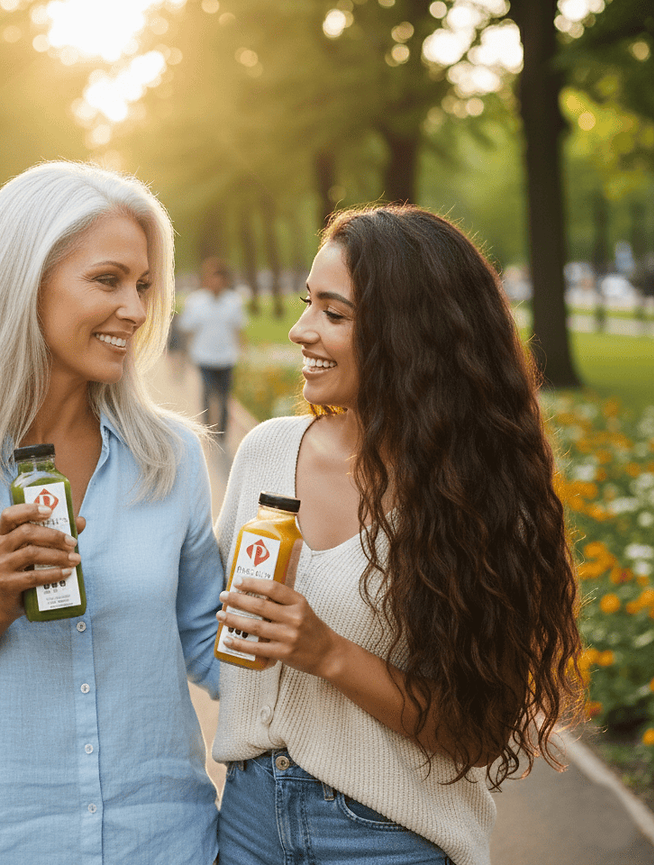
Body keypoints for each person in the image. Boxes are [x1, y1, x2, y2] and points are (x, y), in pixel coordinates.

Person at [0, 161, 225, 865]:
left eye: (145, 285)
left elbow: (208, 639)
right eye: (108, 279)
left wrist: (321, 648)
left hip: (165, 845)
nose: (138, 310)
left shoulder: (171, 455)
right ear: (22, 280)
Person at [211, 204, 584, 865]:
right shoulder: (267, 451)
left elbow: (478, 733)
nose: (301, 330)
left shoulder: (474, 498)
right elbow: (205, 629)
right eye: (307, 304)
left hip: (385, 836)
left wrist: (328, 652)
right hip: (247, 822)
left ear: (409, 332)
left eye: (334, 312)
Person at [178, 256, 245, 436]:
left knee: (224, 396)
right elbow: (187, 328)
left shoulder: (234, 301)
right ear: (206, 280)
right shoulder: (195, 302)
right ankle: (207, 427)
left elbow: (238, 328)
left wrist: (243, 351)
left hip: (226, 356)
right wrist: (182, 357)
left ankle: (222, 431)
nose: (216, 282)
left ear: (225, 280)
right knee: (207, 393)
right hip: (204, 356)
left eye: (220, 278)